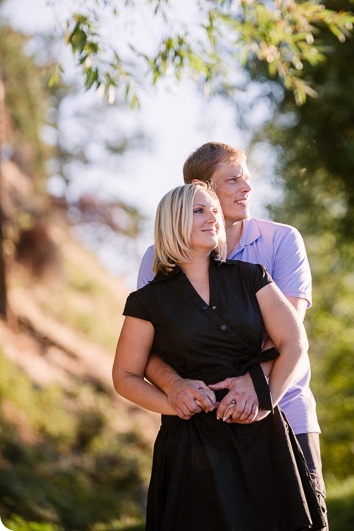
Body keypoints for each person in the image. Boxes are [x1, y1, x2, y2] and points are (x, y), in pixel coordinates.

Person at [113, 182, 325, 531]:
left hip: (262, 438)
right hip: (190, 445)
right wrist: (174, 401)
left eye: (213, 209)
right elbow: (125, 376)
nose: (213, 217)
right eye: (200, 210)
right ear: (173, 221)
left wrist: (265, 400)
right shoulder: (146, 301)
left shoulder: (251, 277)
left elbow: (295, 342)